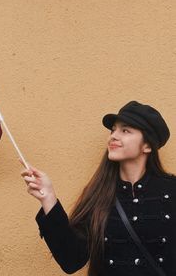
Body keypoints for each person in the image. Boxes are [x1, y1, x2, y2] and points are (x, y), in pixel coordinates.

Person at [21, 101, 176, 276]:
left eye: (125, 131)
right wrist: (48, 198)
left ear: (147, 146)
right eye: (113, 130)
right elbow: (71, 259)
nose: (113, 136)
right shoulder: (99, 193)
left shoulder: (171, 190)